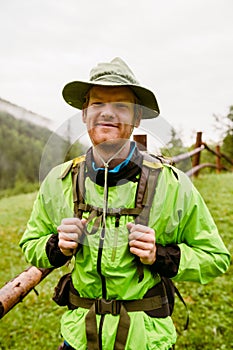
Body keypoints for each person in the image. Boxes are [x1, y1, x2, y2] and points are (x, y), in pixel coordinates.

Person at [19, 57, 230, 350]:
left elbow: (216, 257)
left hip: (146, 340)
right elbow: (30, 242)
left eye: (120, 105)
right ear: (84, 114)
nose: (108, 114)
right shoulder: (59, 181)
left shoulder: (173, 184)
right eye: (98, 104)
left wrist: (161, 255)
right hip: (78, 338)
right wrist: (57, 246)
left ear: (137, 119)